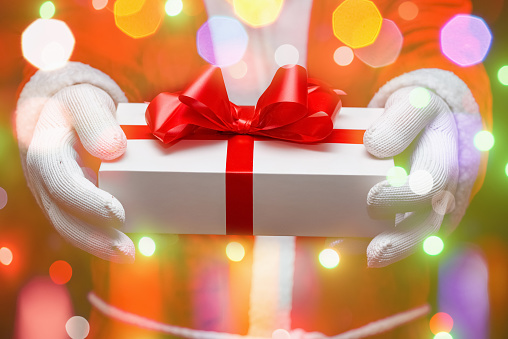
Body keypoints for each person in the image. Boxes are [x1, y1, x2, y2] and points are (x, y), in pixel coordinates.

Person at [15, 0, 491, 337]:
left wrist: (446, 95)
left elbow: (437, 24)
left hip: (370, 319)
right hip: (145, 318)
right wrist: (63, 79)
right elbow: (85, 19)